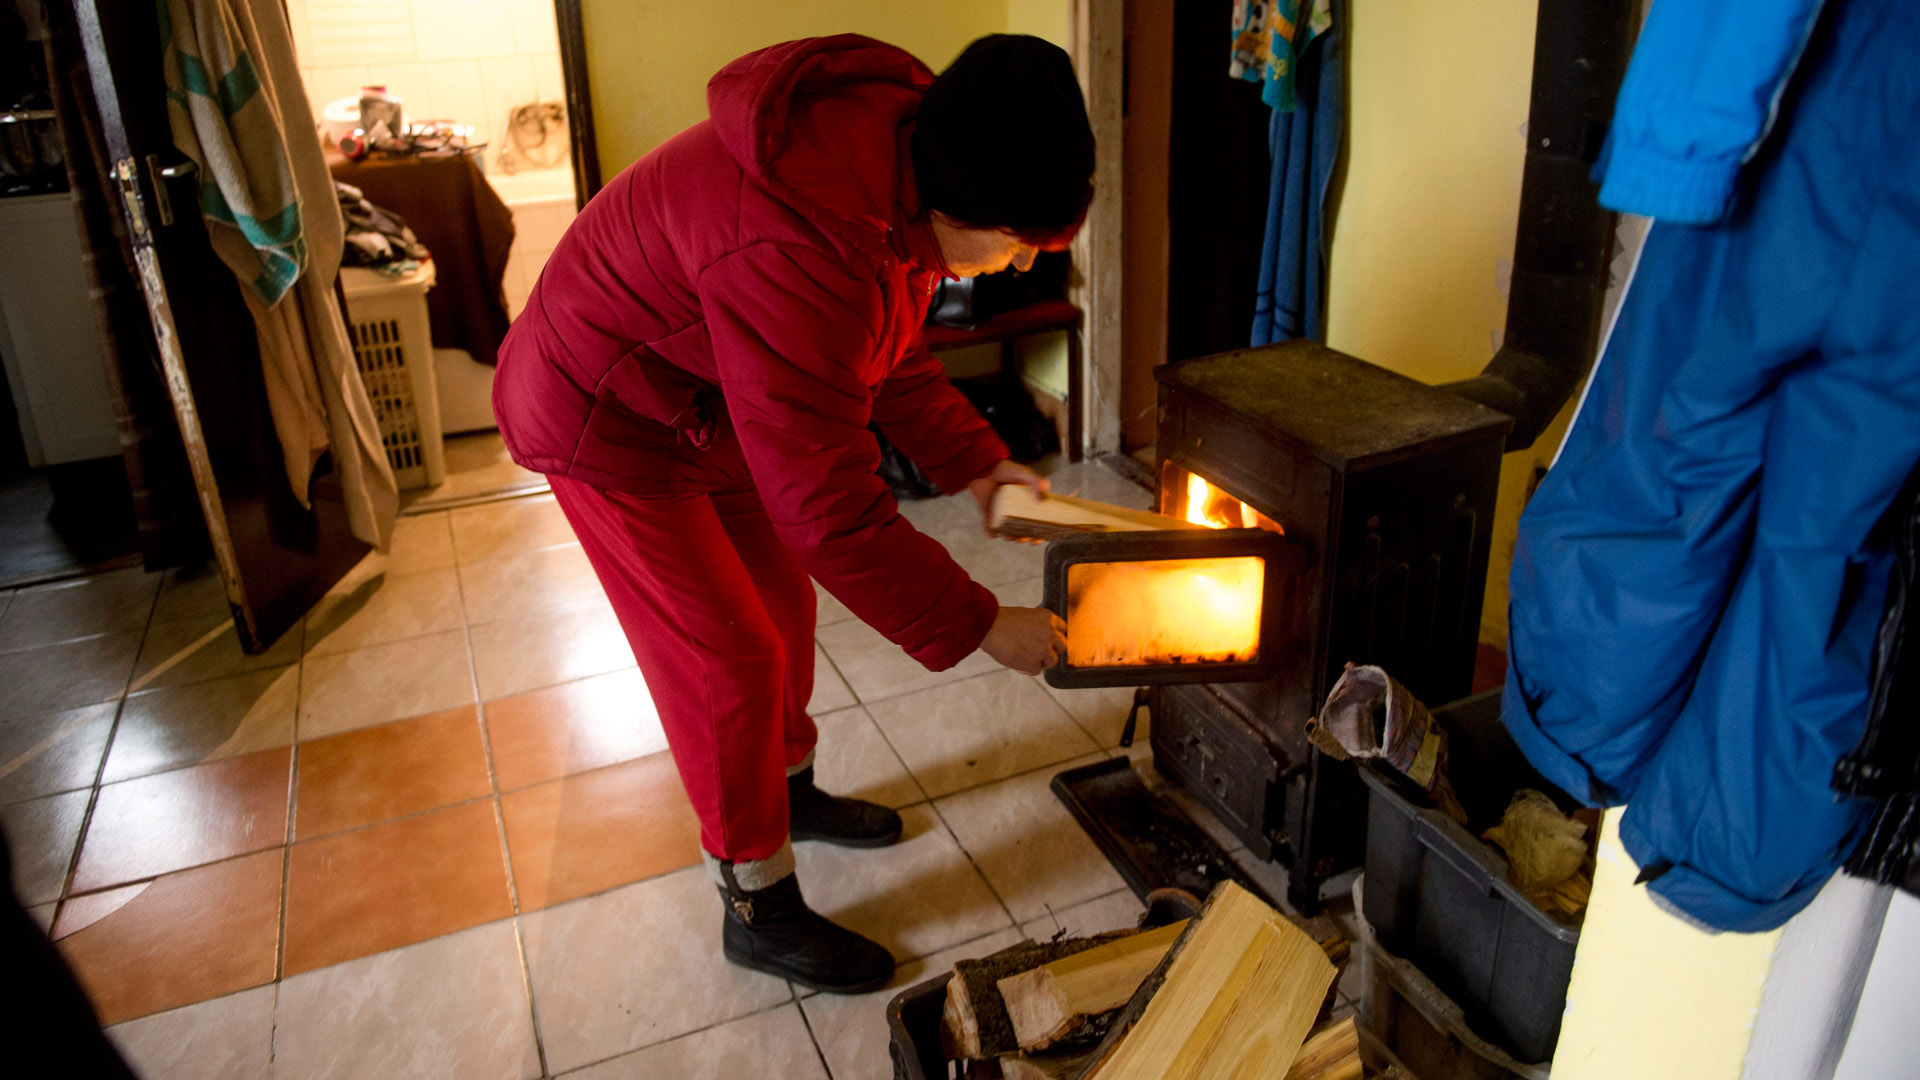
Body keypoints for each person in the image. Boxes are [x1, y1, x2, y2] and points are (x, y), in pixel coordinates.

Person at [492, 33, 1090, 993]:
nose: (1021, 266)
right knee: (727, 654)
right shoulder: (792, 239)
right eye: (1020, 241)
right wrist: (984, 626)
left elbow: (879, 348)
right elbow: (831, 511)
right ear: (954, 203)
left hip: (705, 399)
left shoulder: (884, 175)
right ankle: (755, 900)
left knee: (782, 604)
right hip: (600, 413)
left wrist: (979, 464)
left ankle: (788, 790)